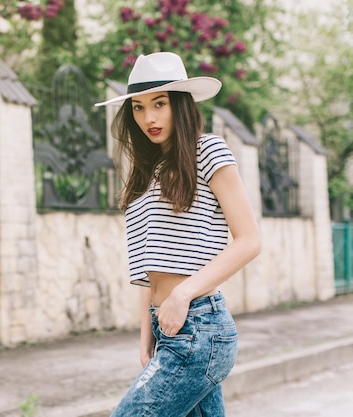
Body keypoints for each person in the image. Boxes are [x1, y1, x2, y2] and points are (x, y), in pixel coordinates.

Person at [95, 52, 261, 416]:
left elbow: (249, 240)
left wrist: (183, 293)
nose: (148, 117)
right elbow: (153, 264)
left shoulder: (209, 151)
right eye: (138, 107)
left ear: (181, 104)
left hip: (200, 328)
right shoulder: (147, 173)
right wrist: (147, 332)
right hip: (169, 328)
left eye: (159, 103)